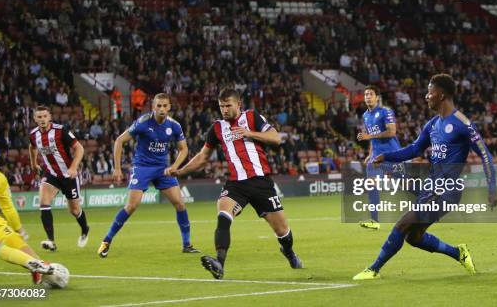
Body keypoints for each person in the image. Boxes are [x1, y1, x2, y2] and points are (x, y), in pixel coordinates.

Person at [353, 74, 497, 280]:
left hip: (447, 190)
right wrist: (386, 156)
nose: (426, 96)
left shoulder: (462, 123)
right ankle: (458, 253)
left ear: (441, 95)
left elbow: (485, 155)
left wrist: (492, 189)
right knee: (414, 237)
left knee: (402, 224)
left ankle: (374, 268)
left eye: (429, 92)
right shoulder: (432, 125)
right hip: (431, 187)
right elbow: (414, 149)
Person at [173, 88, 303, 279]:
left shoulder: (252, 117)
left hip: (261, 182)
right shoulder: (217, 128)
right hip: (236, 185)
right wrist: (180, 172)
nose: (224, 110)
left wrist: (249, 133)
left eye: (228, 105)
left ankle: (289, 253)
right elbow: (202, 157)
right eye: (221, 106)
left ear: (238, 104)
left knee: (283, 231)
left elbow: (275, 138)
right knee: (223, 214)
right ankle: (219, 263)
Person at [98, 93, 198, 257]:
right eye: (158, 106)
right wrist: (117, 168)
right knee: (131, 206)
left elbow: (184, 149)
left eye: (165, 106)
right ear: (153, 107)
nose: (162, 109)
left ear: (169, 107)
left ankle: (187, 244)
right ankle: (106, 241)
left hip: (162, 169)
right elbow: (119, 141)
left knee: (180, 203)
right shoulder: (143, 123)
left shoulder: (174, 126)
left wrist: (174, 166)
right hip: (142, 167)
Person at [0, 133, 55, 284]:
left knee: (20, 244)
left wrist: (18, 229)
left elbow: (7, 207)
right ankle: (33, 265)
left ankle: (38, 268)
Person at [28, 106, 88, 252]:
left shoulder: (61, 131)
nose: (42, 119)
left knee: (74, 210)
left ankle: (85, 229)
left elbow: (79, 148)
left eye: (44, 116)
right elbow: (32, 147)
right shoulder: (33, 134)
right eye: (39, 117)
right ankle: (51, 241)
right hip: (51, 174)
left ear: (49, 117)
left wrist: (73, 167)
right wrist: (33, 163)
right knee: (44, 202)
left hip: (68, 175)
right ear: (35, 119)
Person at [356, 85, 401, 230]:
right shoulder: (365, 115)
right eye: (366, 94)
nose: (367, 96)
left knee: (408, 186)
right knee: (371, 185)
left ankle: (432, 203)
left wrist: (370, 136)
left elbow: (392, 132)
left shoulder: (385, 112)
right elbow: (372, 138)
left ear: (377, 97)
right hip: (376, 157)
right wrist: (370, 153)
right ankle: (374, 220)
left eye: (370, 94)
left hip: (391, 155)